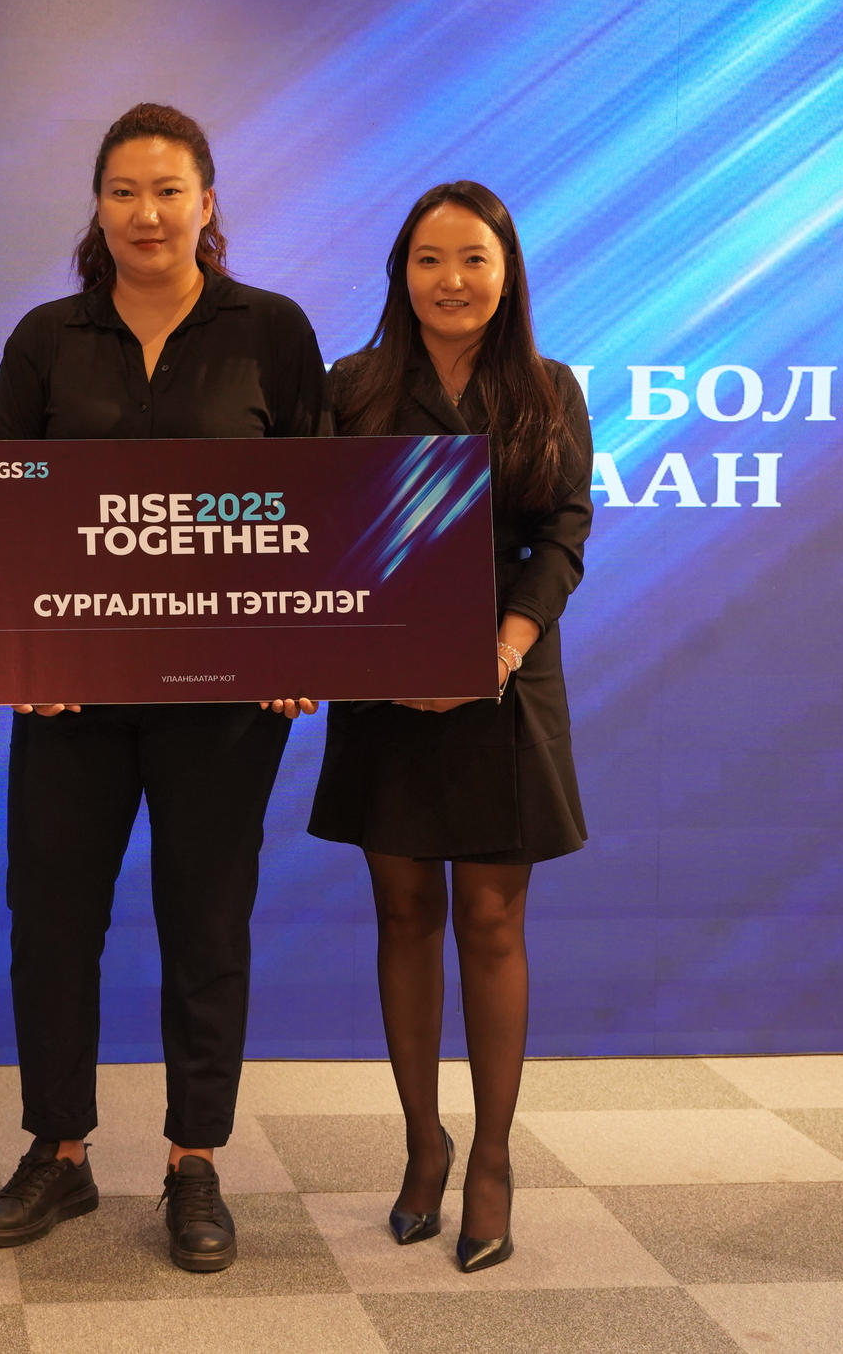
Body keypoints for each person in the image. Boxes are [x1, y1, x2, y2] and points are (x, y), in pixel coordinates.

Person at [0, 102, 326, 1274]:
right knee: (50, 924)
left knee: (205, 925)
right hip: (69, 697)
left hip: (224, 703)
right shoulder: (46, 338)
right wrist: (15, 658)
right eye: (123, 191)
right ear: (98, 205)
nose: (146, 213)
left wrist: (300, 649)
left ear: (206, 203)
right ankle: (59, 1150)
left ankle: (193, 1160)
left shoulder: (271, 333)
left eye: (168, 190)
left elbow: (317, 509)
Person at [309, 180, 592, 1273]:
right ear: (401, 274)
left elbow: (562, 535)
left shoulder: (549, 389)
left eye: (473, 258)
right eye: (429, 259)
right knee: (404, 912)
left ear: (507, 272)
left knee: (490, 919)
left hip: (503, 676)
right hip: (381, 684)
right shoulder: (353, 387)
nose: (451, 280)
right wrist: (383, 656)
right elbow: (319, 532)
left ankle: (492, 1158)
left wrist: (498, 648)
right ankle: (421, 1143)